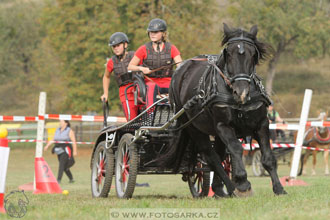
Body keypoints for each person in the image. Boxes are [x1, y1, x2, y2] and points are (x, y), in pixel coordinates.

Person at [128, 18, 182, 105]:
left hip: (168, 82)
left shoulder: (172, 48)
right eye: (151, 32)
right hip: (151, 82)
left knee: (180, 89)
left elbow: (180, 66)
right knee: (151, 87)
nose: (152, 34)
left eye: (156, 32)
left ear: (163, 33)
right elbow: (130, 66)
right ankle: (151, 114)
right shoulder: (143, 49)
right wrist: (142, 69)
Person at [101, 32, 139, 120]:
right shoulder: (111, 62)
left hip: (138, 88)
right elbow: (106, 77)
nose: (116, 48)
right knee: (131, 118)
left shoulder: (135, 56)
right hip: (125, 92)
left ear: (125, 44)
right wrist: (105, 94)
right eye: (114, 46)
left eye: (118, 45)